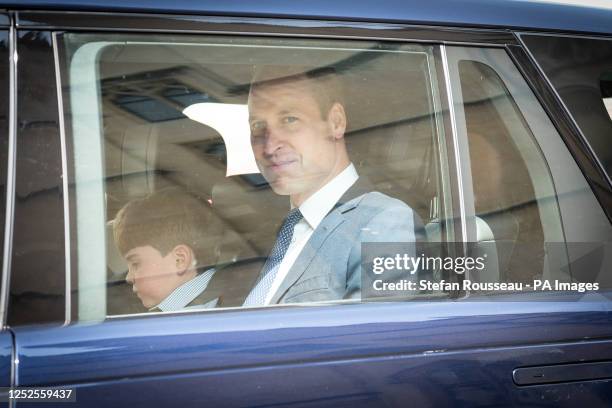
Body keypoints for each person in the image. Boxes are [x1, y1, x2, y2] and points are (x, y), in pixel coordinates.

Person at [243, 65, 424, 306]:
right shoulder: (265, 231)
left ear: (336, 122)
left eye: (289, 119)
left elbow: (372, 338)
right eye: (257, 126)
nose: (268, 146)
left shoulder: (384, 221)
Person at [113, 189, 257, 312]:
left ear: (180, 260)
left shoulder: (192, 316)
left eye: (135, 264)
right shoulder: (217, 293)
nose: (128, 277)